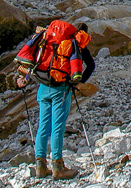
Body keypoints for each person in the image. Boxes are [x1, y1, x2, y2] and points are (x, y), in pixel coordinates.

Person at [16, 22, 95, 180]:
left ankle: (40, 166)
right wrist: (78, 83)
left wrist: (24, 78)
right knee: (57, 128)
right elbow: (91, 65)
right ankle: (58, 167)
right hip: (61, 89)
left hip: (43, 87)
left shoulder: (47, 38)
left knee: (43, 126)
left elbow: (35, 60)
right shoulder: (75, 42)